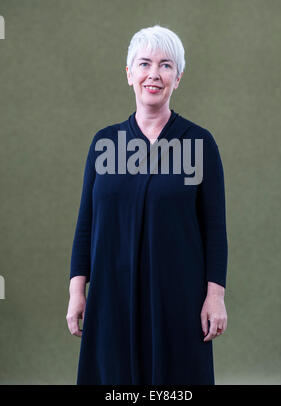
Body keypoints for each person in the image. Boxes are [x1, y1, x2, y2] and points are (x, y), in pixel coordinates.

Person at [66, 25, 228, 385]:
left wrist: (215, 297)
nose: (154, 74)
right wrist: (78, 292)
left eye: (166, 65)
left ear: (178, 77)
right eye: (144, 64)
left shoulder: (199, 144)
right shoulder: (104, 143)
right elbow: (86, 224)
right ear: (129, 74)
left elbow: (215, 228)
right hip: (112, 297)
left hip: (177, 298)